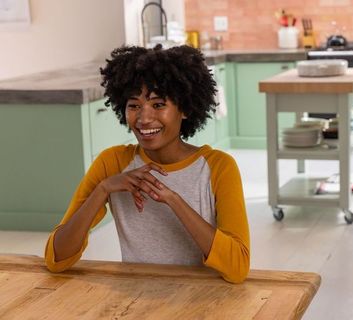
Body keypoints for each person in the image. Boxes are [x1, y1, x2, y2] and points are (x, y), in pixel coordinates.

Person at [44, 45, 250, 284]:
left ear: (184, 109)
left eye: (158, 104)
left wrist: (173, 200)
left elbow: (238, 267)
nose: (144, 118)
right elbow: (56, 258)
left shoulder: (218, 167)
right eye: (134, 106)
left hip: (204, 300)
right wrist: (103, 189)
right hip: (136, 299)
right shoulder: (113, 163)